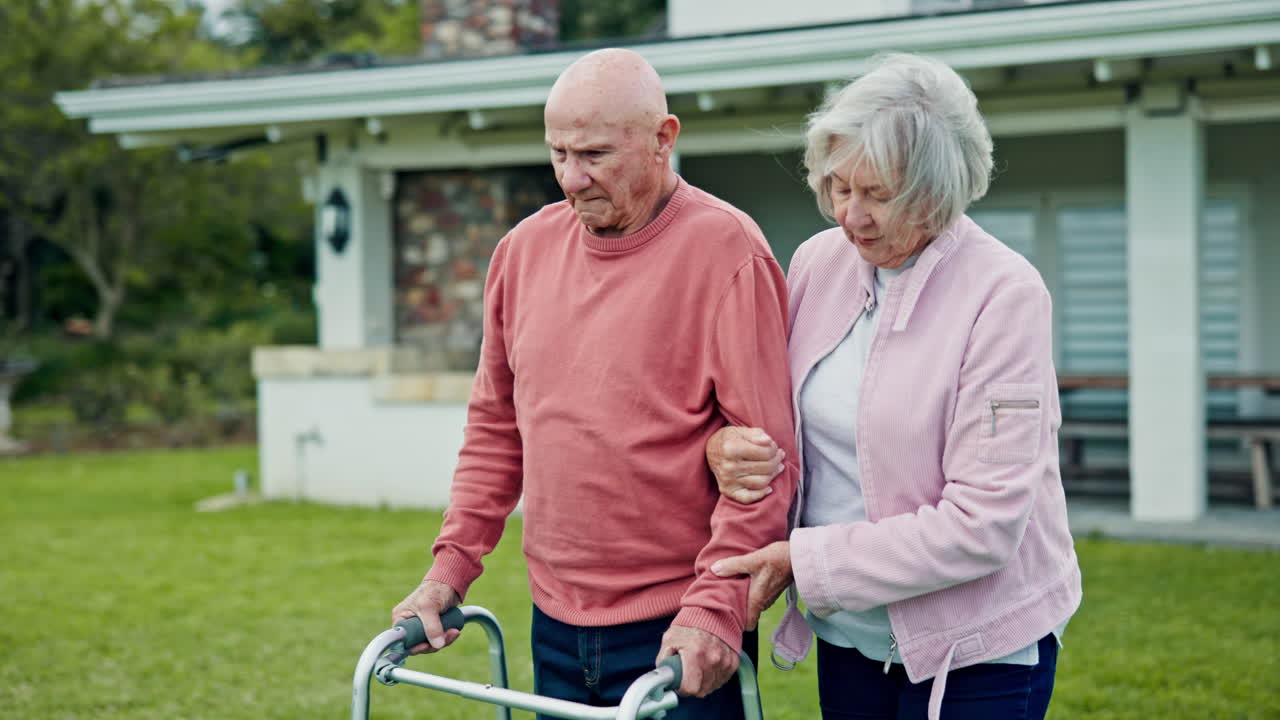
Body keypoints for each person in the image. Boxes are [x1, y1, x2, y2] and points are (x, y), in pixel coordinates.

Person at [391, 48, 797, 719]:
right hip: (554, 623)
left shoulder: (727, 251)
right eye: (558, 154)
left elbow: (767, 464)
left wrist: (716, 608)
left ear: (663, 138)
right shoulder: (520, 253)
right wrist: (448, 570)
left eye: (595, 156)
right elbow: (495, 430)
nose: (572, 179)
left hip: (679, 627)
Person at [705, 53, 1082, 720]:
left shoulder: (1005, 294)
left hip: (978, 650)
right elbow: (776, 414)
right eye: (839, 188)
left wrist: (805, 560)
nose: (851, 217)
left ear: (941, 191)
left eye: (879, 195)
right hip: (852, 636)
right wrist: (726, 446)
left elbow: (984, 525)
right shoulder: (818, 264)